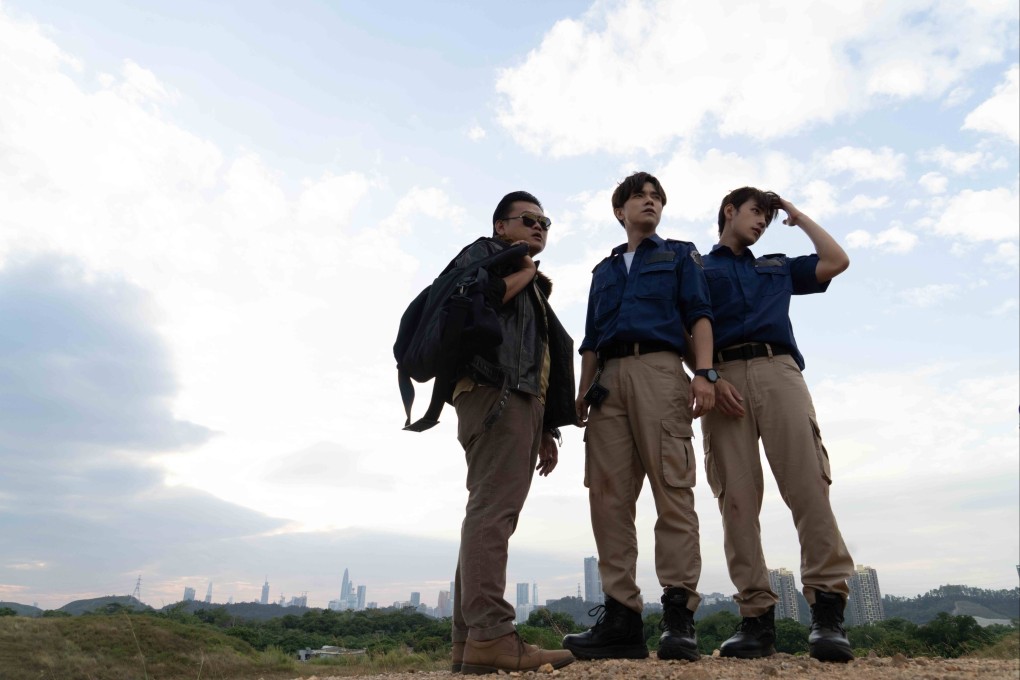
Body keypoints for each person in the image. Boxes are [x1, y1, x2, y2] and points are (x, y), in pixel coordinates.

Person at [562, 172, 716, 662]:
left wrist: (706, 373)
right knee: (606, 496)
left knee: (672, 489)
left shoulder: (679, 254)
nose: (649, 203)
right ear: (619, 211)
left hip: (660, 369)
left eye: (656, 198)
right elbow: (589, 338)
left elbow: (698, 314)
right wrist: (581, 392)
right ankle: (622, 619)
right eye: (639, 197)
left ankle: (678, 618)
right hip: (608, 378)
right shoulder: (603, 271)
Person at [701, 186, 855, 662]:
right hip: (722, 378)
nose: (763, 222)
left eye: (769, 216)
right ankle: (755, 620)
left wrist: (796, 214)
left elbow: (836, 260)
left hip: (778, 370)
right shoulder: (697, 269)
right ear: (729, 211)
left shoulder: (777, 265)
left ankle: (827, 616)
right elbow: (687, 325)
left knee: (809, 484)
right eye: (757, 212)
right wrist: (706, 374)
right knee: (737, 499)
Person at [449, 191, 576, 675]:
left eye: (546, 221)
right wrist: (526, 274)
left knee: (486, 511)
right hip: (494, 393)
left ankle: (469, 641)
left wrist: (545, 426)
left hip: (516, 399)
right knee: (492, 513)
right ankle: (492, 636)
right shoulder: (485, 256)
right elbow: (477, 307)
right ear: (501, 225)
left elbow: (536, 360)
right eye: (529, 219)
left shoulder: (527, 280)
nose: (540, 226)